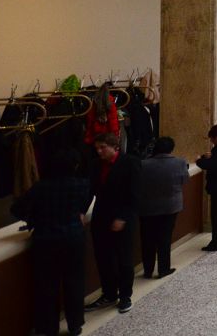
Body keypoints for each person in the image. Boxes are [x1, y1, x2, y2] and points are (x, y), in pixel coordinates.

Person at [12, 149, 91, 336]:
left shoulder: (40, 187)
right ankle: (75, 324)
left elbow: (16, 209)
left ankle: (48, 327)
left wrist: (34, 218)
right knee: (74, 281)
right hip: (73, 239)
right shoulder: (81, 185)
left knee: (47, 285)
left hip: (45, 241)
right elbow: (84, 204)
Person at [85, 132, 141, 314]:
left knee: (124, 259)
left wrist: (122, 217)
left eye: (103, 148)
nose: (99, 151)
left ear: (114, 147)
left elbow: (135, 194)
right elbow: (90, 191)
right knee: (103, 258)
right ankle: (109, 293)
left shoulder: (130, 162)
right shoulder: (95, 165)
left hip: (122, 218)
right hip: (101, 218)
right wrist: (81, 211)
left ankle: (125, 296)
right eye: (97, 148)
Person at [138, 136, 188, 279]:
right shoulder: (180, 163)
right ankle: (163, 269)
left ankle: (148, 270)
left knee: (147, 239)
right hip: (170, 207)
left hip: (147, 207)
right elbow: (184, 180)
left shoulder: (143, 164)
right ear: (171, 149)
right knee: (164, 238)